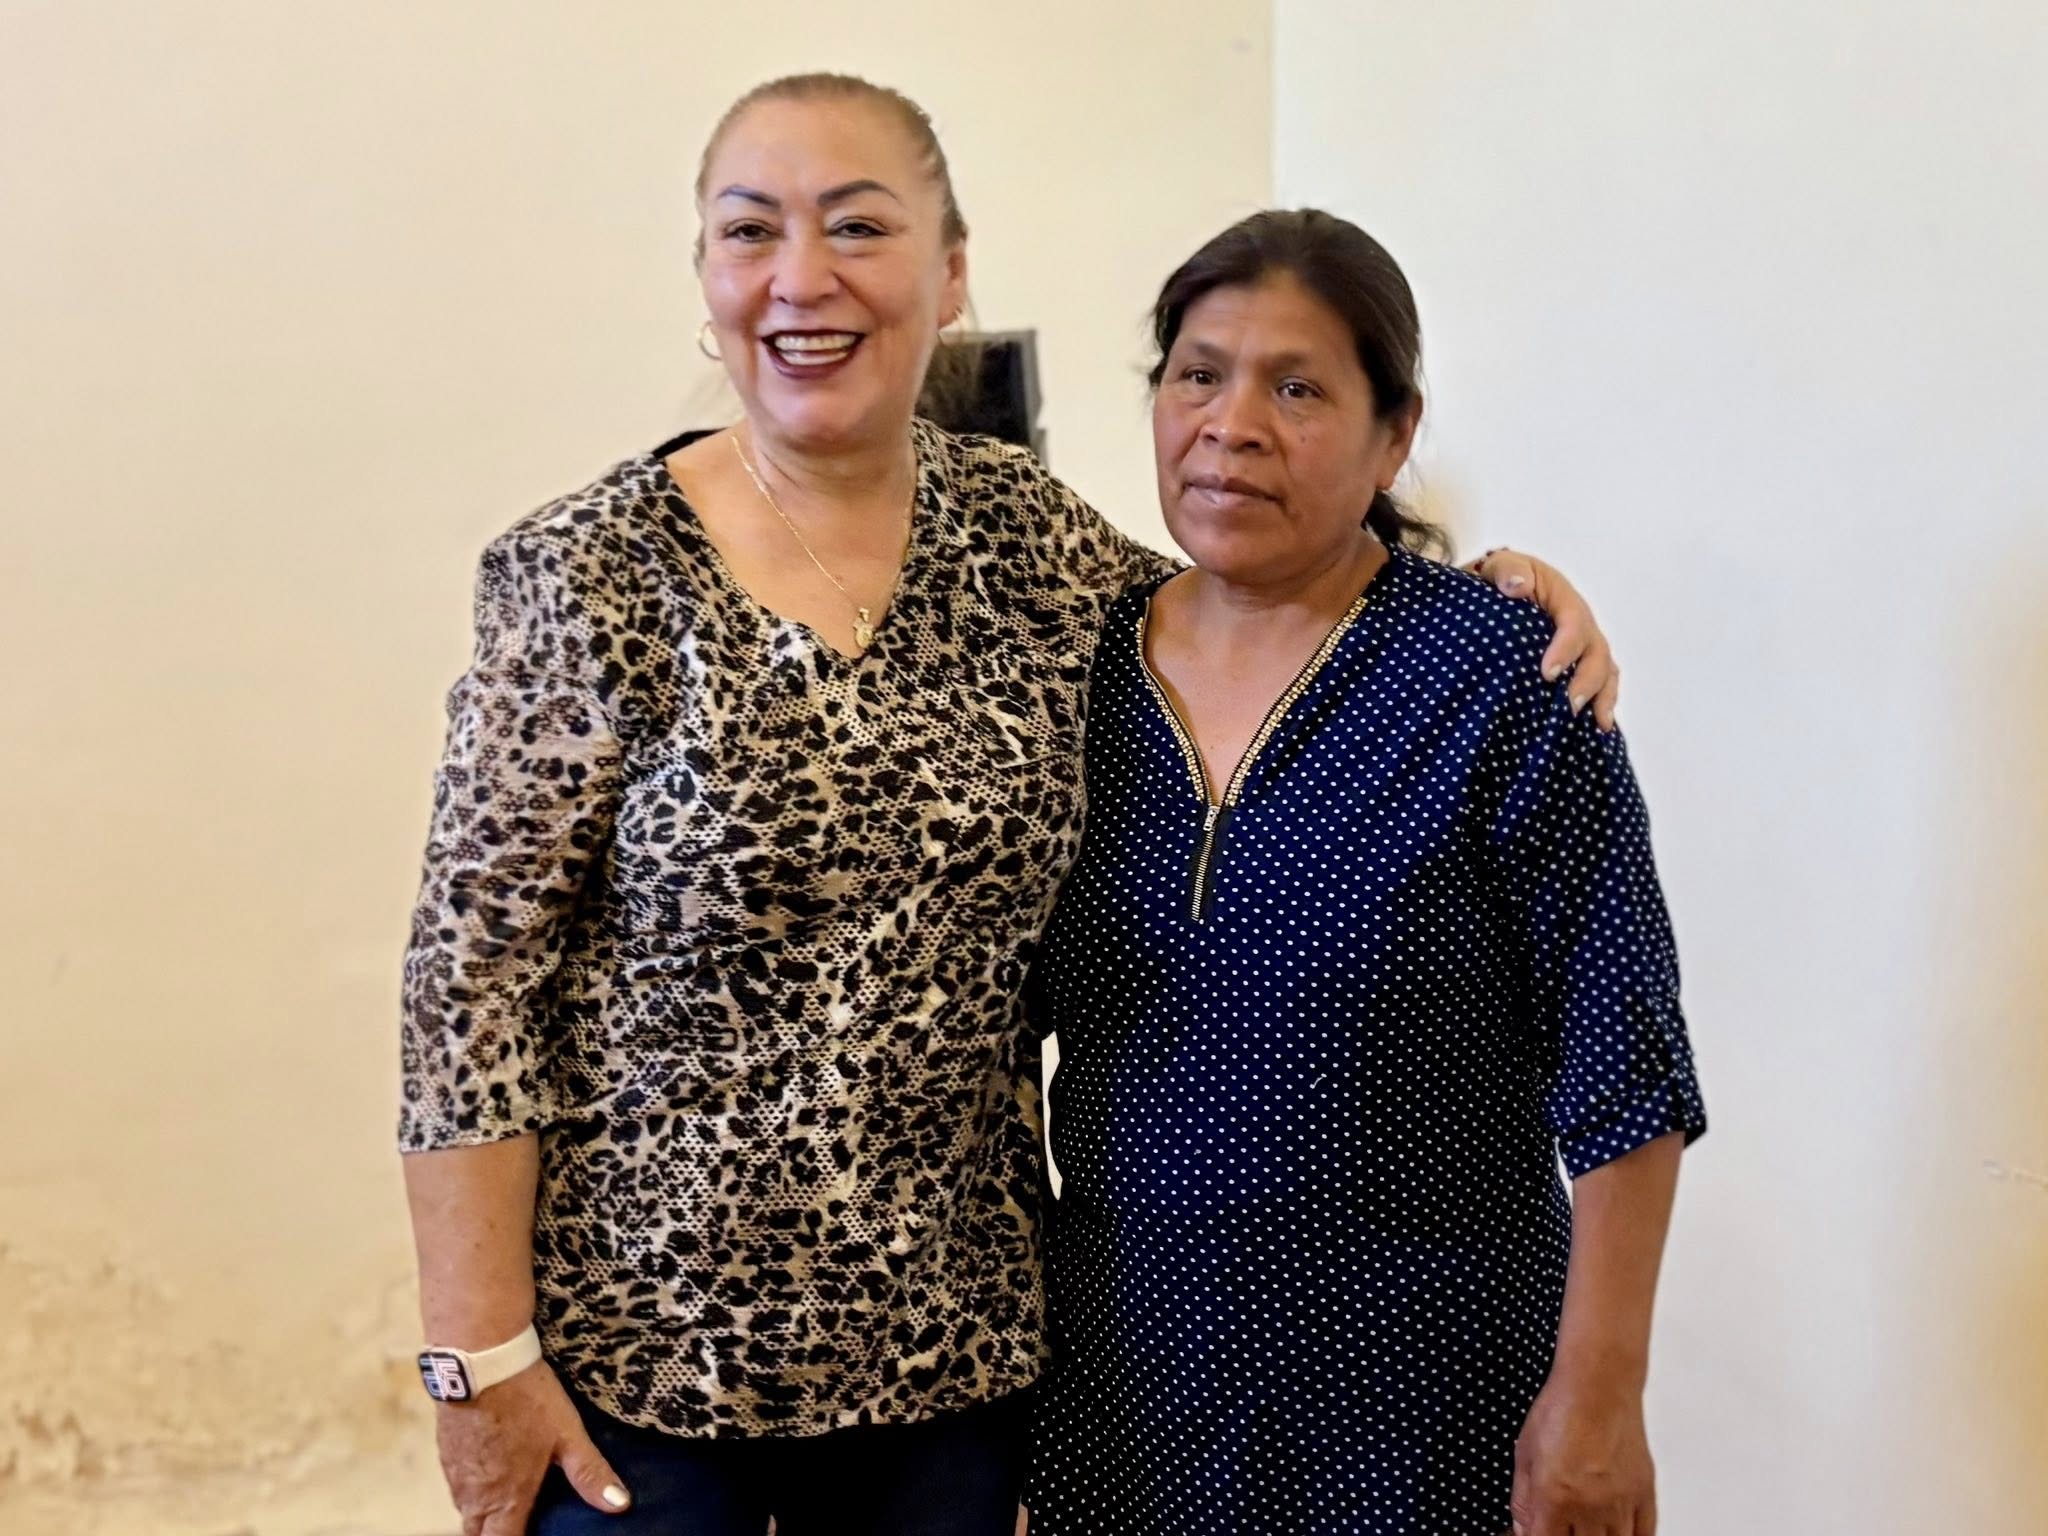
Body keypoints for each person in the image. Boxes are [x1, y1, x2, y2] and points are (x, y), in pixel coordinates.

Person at [398, 74, 1622, 1536]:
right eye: (752, 230)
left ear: (950, 274)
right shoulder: (584, 572)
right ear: (706, 275)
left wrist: (1487, 596)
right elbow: (470, 990)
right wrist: (479, 1362)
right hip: (649, 1376)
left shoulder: (1028, 542)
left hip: (961, 1368)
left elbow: (1257, 601)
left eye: (860, 226)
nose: (803, 278)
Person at [1023, 209, 1708, 1536]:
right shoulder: (1067, 680)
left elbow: (1627, 1071)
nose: (1232, 426)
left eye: (1298, 389)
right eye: (1198, 374)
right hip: (1125, 1409)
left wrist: (1600, 1401)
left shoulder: (1502, 678)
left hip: (1429, 1412)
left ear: (1396, 436)